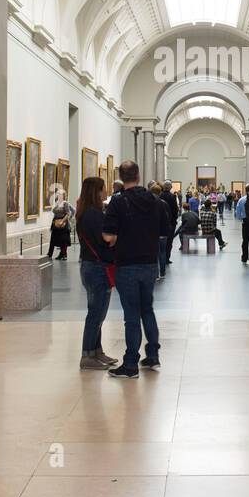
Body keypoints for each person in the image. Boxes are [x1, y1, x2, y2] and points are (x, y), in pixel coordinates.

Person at [102, 160, 172, 378]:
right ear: (139, 176)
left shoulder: (117, 202)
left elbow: (109, 235)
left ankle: (131, 363)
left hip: (127, 263)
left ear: (121, 177)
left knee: (131, 314)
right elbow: (164, 232)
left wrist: (115, 239)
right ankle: (152, 355)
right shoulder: (156, 201)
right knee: (147, 309)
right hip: (150, 263)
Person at [74, 176, 118, 370]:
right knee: (96, 313)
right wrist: (115, 238)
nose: (106, 191)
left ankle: (96, 351)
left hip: (91, 265)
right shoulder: (93, 214)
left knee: (98, 312)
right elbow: (105, 239)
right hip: (97, 267)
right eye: (103, 188)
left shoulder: (88, 212)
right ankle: (87, 355)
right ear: (97, 191)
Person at [159, 181, 179, 269]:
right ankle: (167, 258)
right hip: (170, 222)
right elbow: (175, 210)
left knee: (160, 242)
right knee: (169, 241)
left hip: (160, 222)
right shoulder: (172, 196)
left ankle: (160, 259)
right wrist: (174, 219)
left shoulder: (160, 195)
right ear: (170, 187)